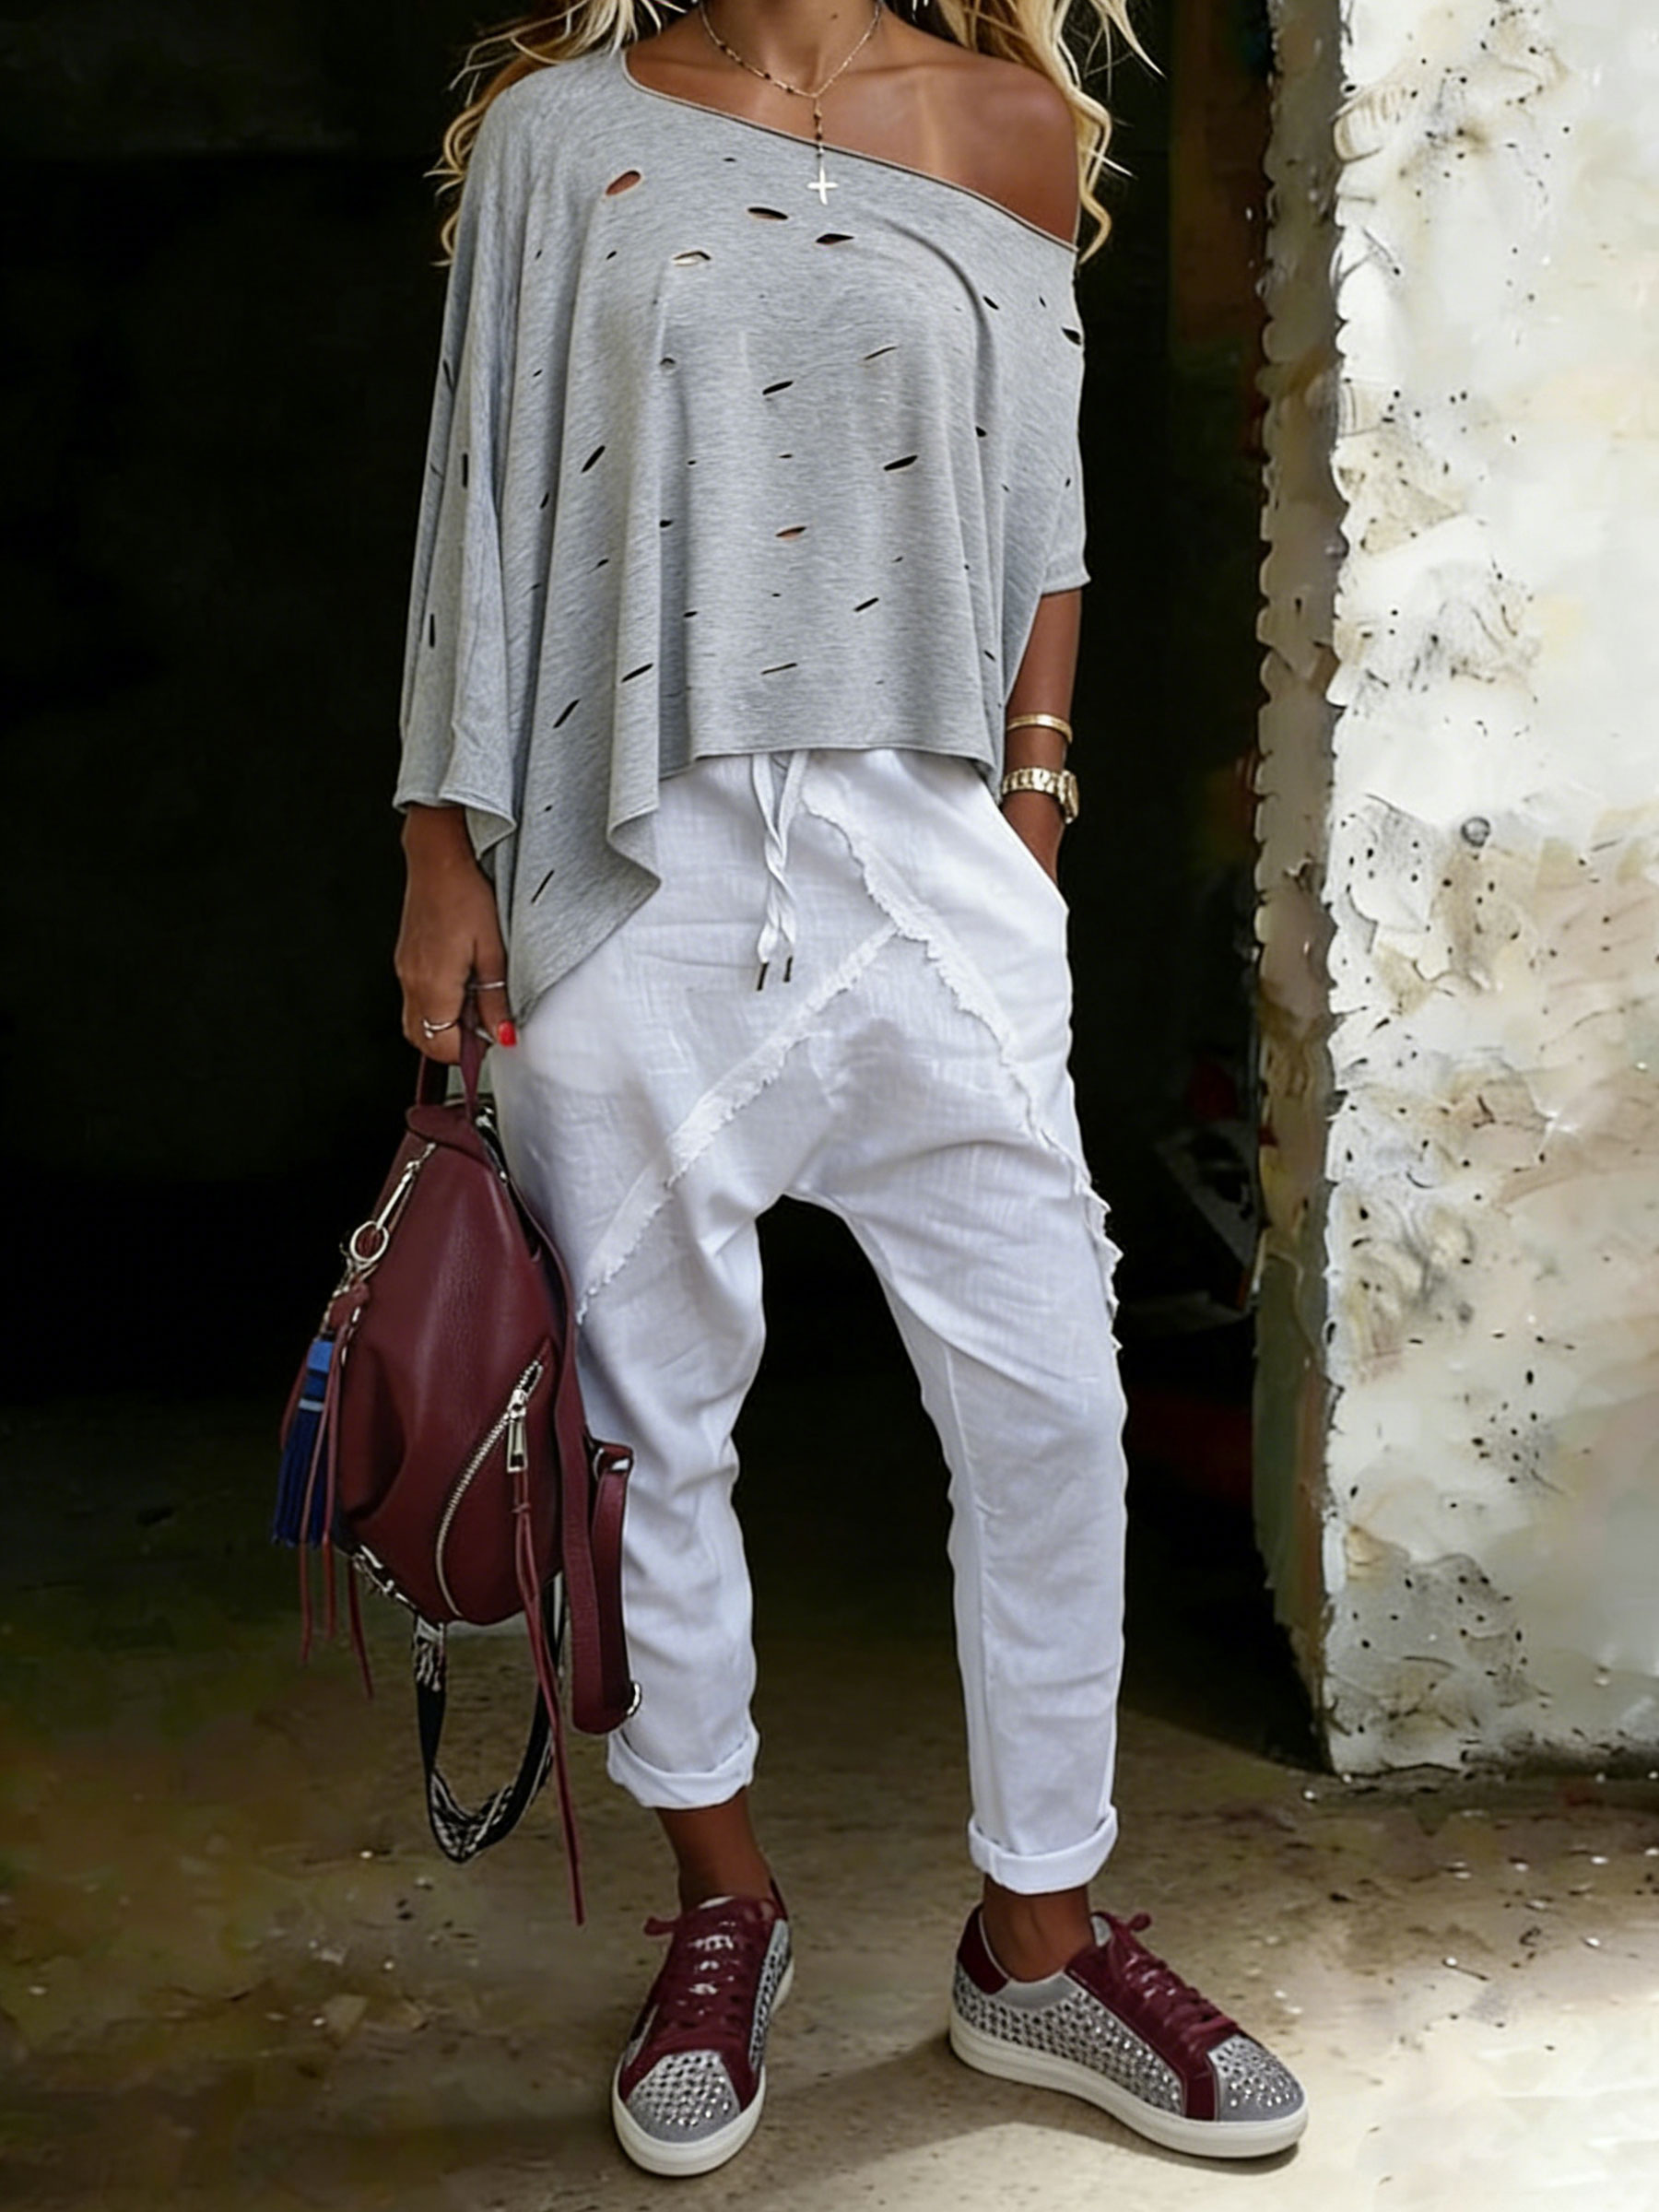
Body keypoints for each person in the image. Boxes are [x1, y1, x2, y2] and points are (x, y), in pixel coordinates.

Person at [392, 0, 1308, 2177]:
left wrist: (1033, 811)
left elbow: (1043, 506)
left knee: (1053, 1411)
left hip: (929, 849)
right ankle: (724, 1907)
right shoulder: (561, 138)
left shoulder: (1007, 127)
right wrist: (440, 854)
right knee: (648, 1436)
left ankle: (1038, 1940)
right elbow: (478, 490)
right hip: (633, 853)